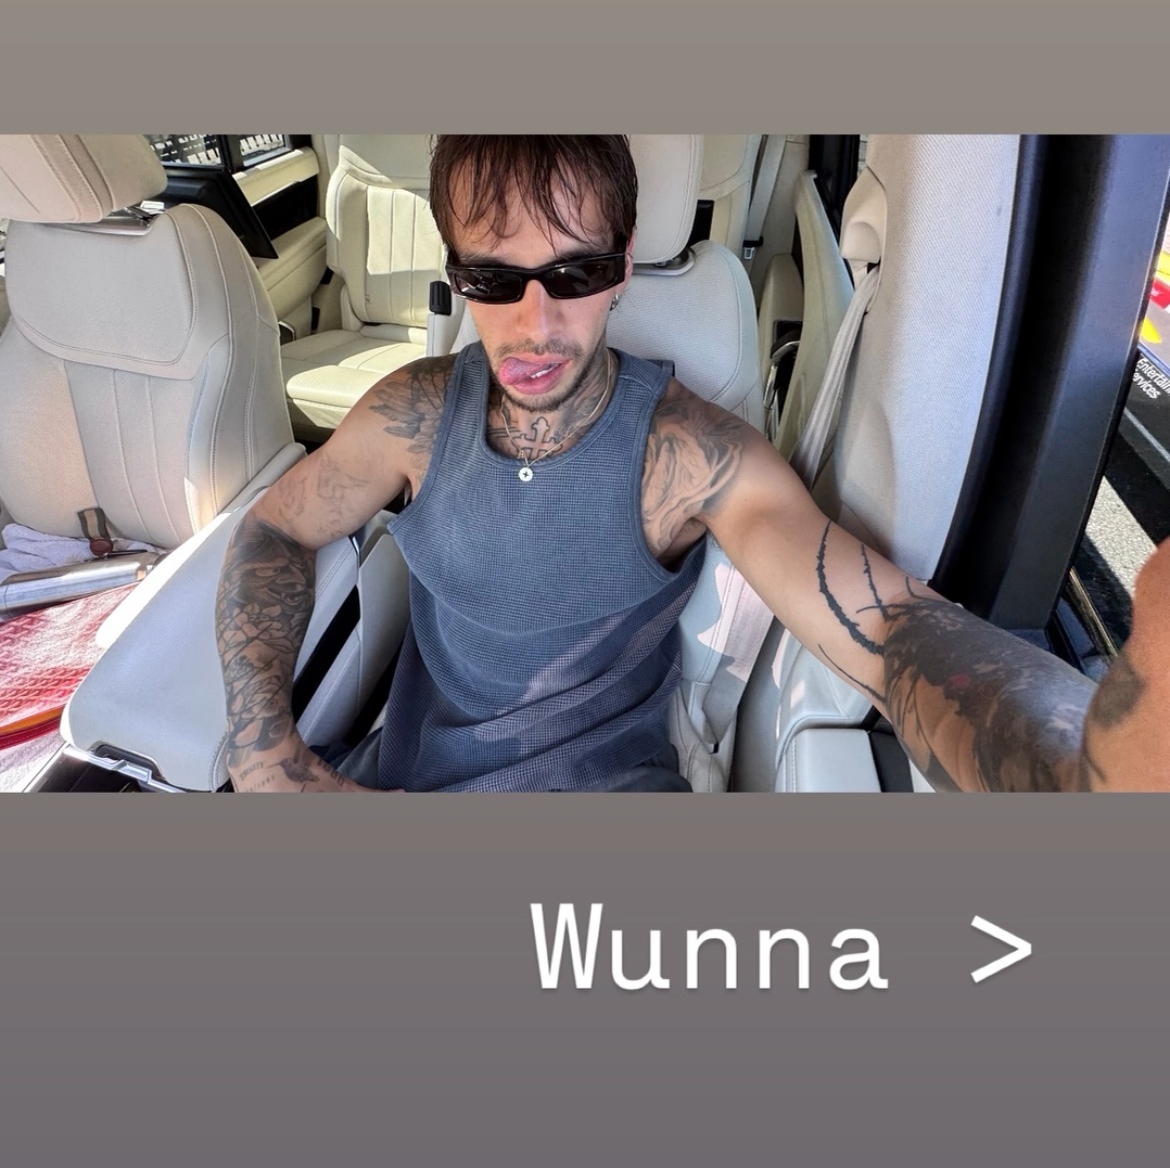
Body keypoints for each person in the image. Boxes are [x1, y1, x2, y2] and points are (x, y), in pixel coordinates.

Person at [215, 134, 1168, 793]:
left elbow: (888, 628)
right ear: (456, 271)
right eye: (495, 279)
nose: (537, 323)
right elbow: (276, 527)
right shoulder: (410, 415)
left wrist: (1078, 764)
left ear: (623, 264)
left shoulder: (686, 454)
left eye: (577, 272)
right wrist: (263, 749)